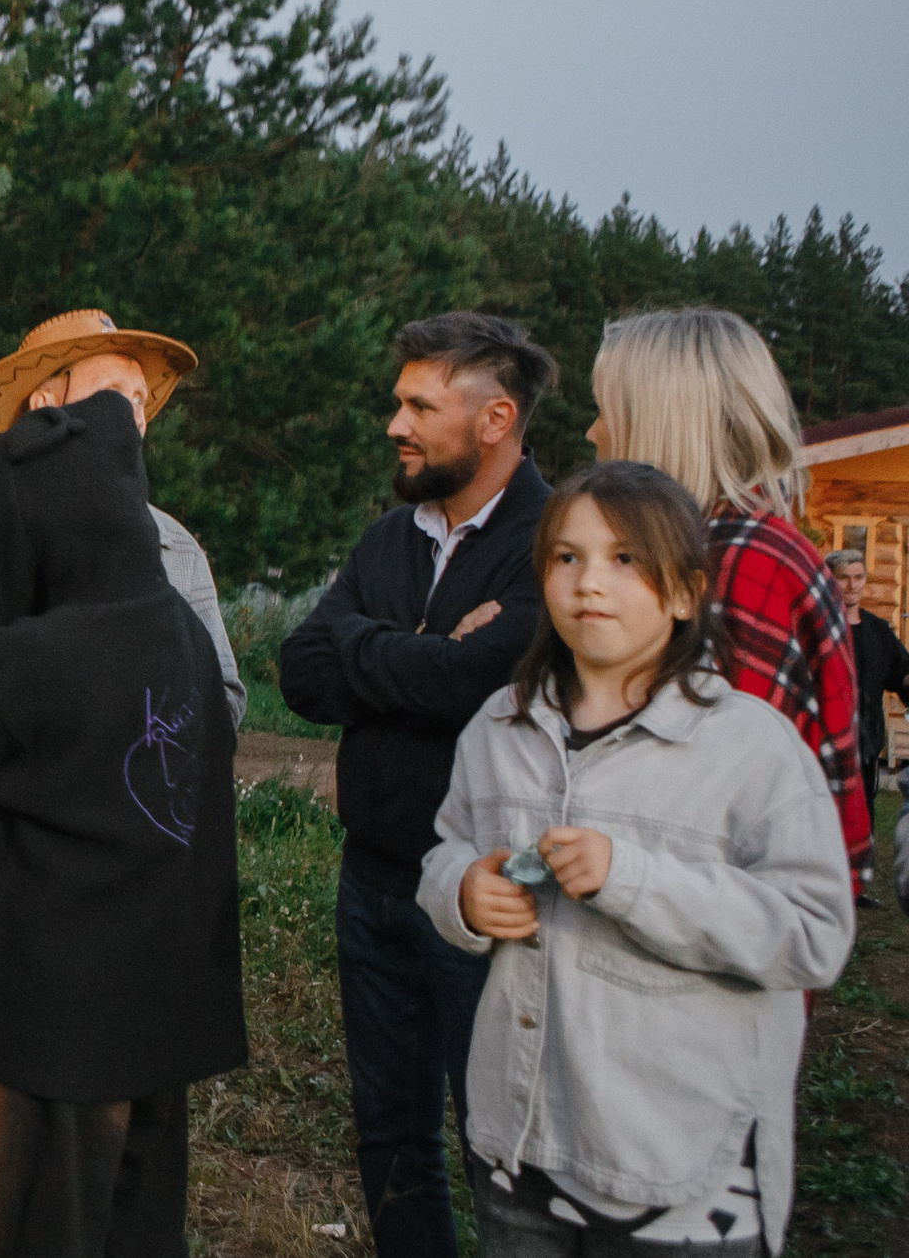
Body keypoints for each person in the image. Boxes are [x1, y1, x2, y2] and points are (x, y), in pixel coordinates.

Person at [0, 309, 245, 1258]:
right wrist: (12, 688)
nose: (134, 417)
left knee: (49, 1154)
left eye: (142, 402)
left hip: (108, 908)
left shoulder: (172, 548)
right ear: (47, 401)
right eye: (114, 394)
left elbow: (217, 703)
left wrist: (63, 716)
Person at [419, 461, 855, 1256]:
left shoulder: (749, 748)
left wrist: (633, 878)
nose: (591, 581)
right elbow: (445, 851)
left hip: (683, 1180)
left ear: (687, 592)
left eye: (626, 558)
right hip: (522, 1152)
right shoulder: (499, 728)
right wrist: (463, 892)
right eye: (567, 556)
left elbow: (815, 931)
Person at [279, 311, 556, 1258]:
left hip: (489, 890)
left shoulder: (552, 541)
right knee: (390, 1133)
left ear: (495, 418)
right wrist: (426, 650)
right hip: (373, 878)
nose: (394, 423)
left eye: (418, 404)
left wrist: (386, 653)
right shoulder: (390, 538)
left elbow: (468, 685)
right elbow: (302, 670)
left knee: (500, 1146)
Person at [586, 308, 871, 899]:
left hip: (702, 940)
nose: (593, 432)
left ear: (661, 424)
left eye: (606, 411)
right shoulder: (720, 547)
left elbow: (709, 804)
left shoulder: (739, 563)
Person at [827, 547, 908, 909]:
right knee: (823, 812)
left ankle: (854, 888)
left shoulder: (877, 631)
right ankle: (820, 884)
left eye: (858, 577)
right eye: (844, 577)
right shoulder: (819, 629)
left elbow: (901, 676)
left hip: (866, 739)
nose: (852, 585)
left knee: (862, 811)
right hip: (823, 738)